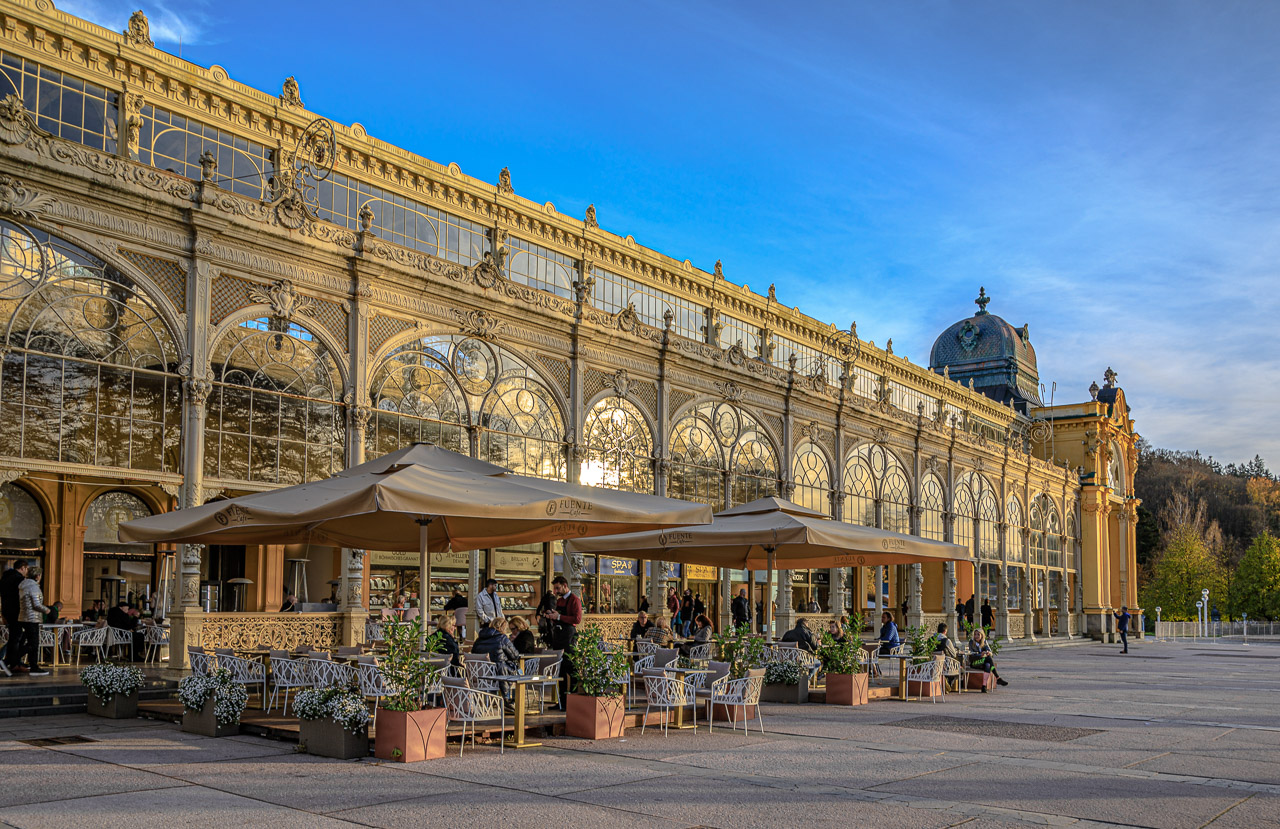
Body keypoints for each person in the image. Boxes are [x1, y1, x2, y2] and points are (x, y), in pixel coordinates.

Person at [543, 576, 581, 709]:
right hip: (559, 636)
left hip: (569, 637)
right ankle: (562, 702)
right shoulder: (559, 601)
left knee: (571, 668)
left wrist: (558, 616)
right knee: (560, 671)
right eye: (555, 588)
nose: (556, 590)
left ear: (565, 585)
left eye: (558, 588)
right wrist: (551, 616)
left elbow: (577, 619)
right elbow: (558, 617)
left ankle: (574, 700)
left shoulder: (574, 600)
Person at [472, 617, 521, 702]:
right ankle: (511, 699)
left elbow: (473, 653)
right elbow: (515, 655)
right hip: (497, 673)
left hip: (480, 673)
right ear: (503, 627)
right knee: (519, 671)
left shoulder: (479, 639)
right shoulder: (502, 638)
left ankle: (497, 700)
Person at [17, 565, 50, 676]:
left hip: (24, 617)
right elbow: (36, 604)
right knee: (33, 644)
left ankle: (30, 664)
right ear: (37, 575)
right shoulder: (33, 586)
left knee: (28, 643)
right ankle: (32, 666)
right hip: (32, 618)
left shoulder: (23, 585)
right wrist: (46, 610)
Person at [1, 558, 28, 672]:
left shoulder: (5, 577)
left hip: (7, 611)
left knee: (16, 636)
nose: (26, 571)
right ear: (22, 568)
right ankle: (13, 663)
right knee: (17, 637)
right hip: (17, 611)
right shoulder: (19, 579)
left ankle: (11, 661)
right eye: (26, 569)